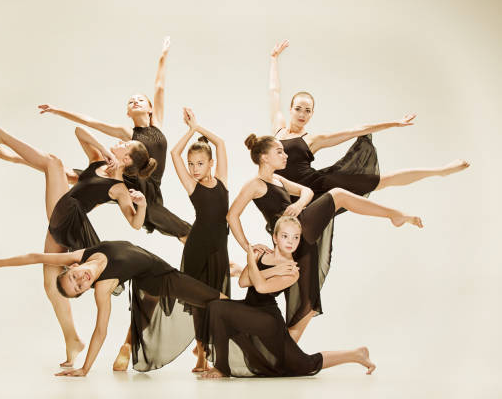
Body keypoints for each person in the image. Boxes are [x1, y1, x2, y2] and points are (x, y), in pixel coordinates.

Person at [0, 118, 153, 367]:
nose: (120, 142)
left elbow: (135, 223)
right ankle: (72, 340)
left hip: (69, 215)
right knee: (51, 282)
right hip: (68, 224)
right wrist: (103, 151)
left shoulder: (119, 189)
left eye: (125, 145)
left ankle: (1, 134)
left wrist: (141, 205)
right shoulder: (98, 162)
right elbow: (80, 131)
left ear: (126, 160)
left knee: (53, 162)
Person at [227, 134, 422, 342]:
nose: (285, 155)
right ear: (264, 157)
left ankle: (285, 352)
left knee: (308, 301)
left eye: (284, 151)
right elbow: (232, 215)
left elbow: (307, 191)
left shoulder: (278, 179)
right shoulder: (255, 184)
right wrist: (248, 247)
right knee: (338, 195)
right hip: (290, 233)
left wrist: (299, 204)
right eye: (279, 152)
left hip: (298, 232)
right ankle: (395, 215)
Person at [0, 240, 227, 375]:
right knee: (219, 300)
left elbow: (35, 257)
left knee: (202, 306)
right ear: (86, 292)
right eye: (79, 289)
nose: (81, 281)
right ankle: (236, 349)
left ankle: (130, 348)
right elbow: (100, 330)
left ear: (72, 267)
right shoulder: (104, 287)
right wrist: (85, 369)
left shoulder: (83, 255)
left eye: (74, 278)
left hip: (148, 277)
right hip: (163, 280)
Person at [268, 39, 469, 203]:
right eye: (298, 109)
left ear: (312, 114)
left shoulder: (313, 140)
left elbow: (356, 130)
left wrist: (394, 123)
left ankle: (440, 171)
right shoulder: (278, 130)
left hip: (316, 185)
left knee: (381, 181)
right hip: (287, 195)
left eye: (308, 110)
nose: (302, 114)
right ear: (290, 109)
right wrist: (274, 59)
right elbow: (274, 91)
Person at [37, 36, 191, 241]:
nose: (135, 102)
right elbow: (90, 122)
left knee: (184, 231)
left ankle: (217, 265)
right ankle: (21, 160)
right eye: (131, 101)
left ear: (150, 108)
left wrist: (163, 56)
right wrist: (58, 111)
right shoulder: (127, 133)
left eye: (140, 100)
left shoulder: (157, 124)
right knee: (69, 174)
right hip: (130, 184)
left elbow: (159, 87)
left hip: (152, 191)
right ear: (128, 113)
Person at [201, 216, 376, 378]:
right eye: (285, 236)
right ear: (275, 238)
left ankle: (355, 354)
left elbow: (261, 287)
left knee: (306, 365)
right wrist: (270, 268)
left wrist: (251, 260)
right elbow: (243, 281)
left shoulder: (292, 270)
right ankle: (221, 367)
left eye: (296, 237)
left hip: (267, 320)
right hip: (249, 310)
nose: (291, 242)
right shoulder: (263, 255)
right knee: (216, 306)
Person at [170, 108, 230, 372]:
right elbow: (174, 154)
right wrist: (190, 131)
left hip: (219, 251)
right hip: (196, 249)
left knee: (218, 301)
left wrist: (199, 127)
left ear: (211, 163)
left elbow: (220, 143)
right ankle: (202, 355)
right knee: (198, 302)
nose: (194, 169)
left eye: (199, 163)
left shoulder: (223, 181)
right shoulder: (192, 186)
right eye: (191, 164)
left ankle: (210, 347)